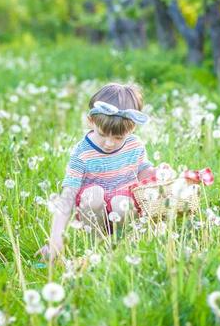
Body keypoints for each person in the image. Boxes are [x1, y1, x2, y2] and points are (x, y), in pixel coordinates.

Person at [38, 82, 156, 261]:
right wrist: (56, 238)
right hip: (93, 212)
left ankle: (124, 246)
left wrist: (165, 179)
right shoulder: (82, 153)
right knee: (93, 194)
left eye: (118, 137)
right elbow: (68, 195)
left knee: (121, 202)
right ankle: (96, 248)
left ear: (132, 128)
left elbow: (146, 174)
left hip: (124, 208)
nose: (109, 143)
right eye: (102, 134)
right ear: (91, 121)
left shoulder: (135, 145)